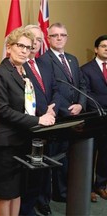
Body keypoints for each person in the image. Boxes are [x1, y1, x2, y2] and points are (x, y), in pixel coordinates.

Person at [0, 27, 55, 216]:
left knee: (17, 190)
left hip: (23, 139)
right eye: (20, 46)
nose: (25, 50)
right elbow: (3, 110)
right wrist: (38, 119)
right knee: (5, 192)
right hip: (6, 142)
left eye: (28, 47)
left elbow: (28, 103)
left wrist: (45, 111)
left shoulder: (24, 72)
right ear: (9, 47)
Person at [39, 22, 87, 202]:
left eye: (63, 35)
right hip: (58, 116)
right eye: (55, 35)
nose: (59, 38)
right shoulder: (44, 60)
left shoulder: (73, 59)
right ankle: (50, 195)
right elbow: (49, 91)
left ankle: (63, 192)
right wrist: (66, 110)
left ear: (67, 37)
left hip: (77, 114)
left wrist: (81, 105)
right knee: (54, 156)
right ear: (48, 38)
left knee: (68, 157)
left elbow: (82, 84)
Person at [19, 25, 61, 216]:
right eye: (31, 38)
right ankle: (26, 206)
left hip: (49, 122)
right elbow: (20, 97)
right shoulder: (17, 65)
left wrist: (53, 107)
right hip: (30, 125)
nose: (35, 43)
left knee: (44, 167)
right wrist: (43, 113)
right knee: (29, 170)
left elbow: (56, 89)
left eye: (38, 40)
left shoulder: (45, 64)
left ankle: (42, 200)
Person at [81, 35, 107, 202]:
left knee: (106, 153)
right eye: (103, 46)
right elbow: (87, 95)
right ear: (96, 49)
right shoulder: (85, 69)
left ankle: (101, 184)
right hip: (94, 119)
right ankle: (87, 188)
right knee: (90, 154)